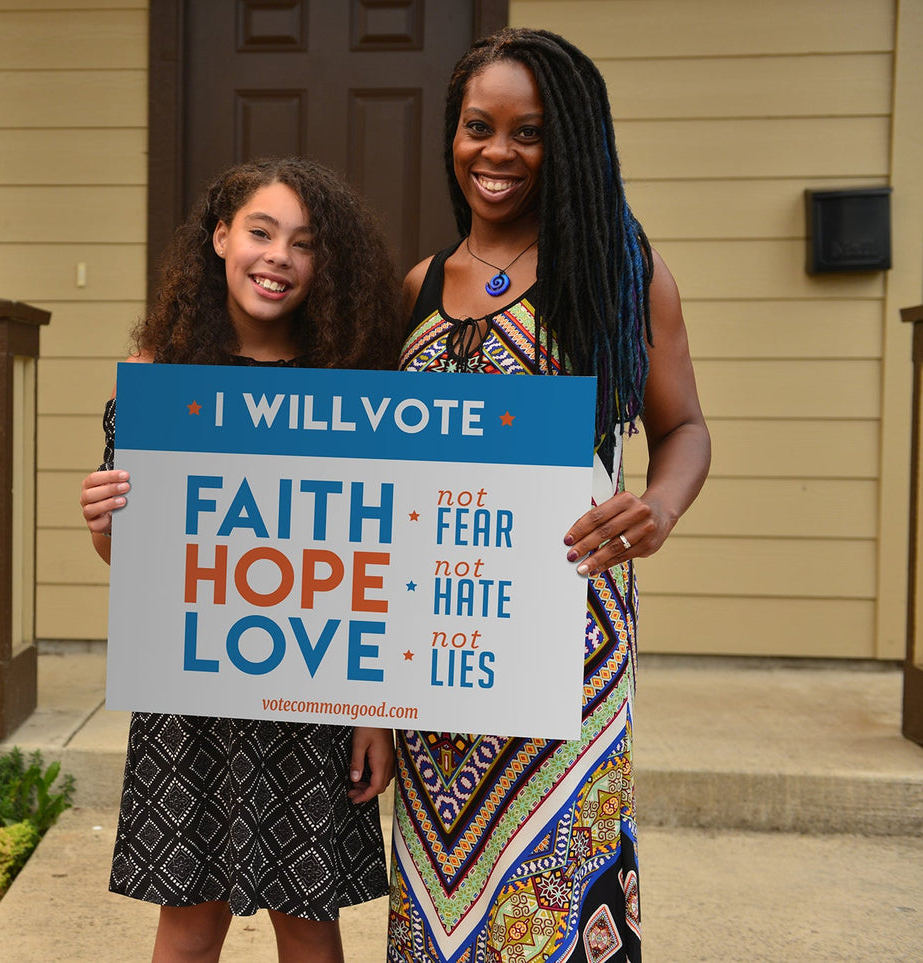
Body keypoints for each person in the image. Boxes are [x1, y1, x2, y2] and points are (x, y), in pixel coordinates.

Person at [388, 28, 710, 963]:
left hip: (570, 635)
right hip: (435, 639)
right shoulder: (414, 289)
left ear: (566, 142)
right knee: (440, 889)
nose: (495, 152)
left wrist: (659, 506)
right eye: (476, 126)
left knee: (555, 883)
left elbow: (684, 428)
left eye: (526, 133)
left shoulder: (618, 274)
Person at [79, 157, 403, 963]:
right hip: (192, 691)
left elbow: (380, 560)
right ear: (220, 237)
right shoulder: (161, 384)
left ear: (324, 264)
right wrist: (102, 522)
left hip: (316, 687)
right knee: (188, 920)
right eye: (260, 231)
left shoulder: (354, 392)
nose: (278, 256)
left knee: (308, 923)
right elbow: (144, 561)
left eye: (303, 242)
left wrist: (374, 711)